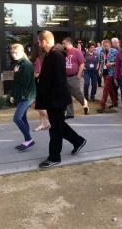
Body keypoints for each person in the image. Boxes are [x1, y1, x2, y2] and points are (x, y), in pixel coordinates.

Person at [36, 31, 86, 169]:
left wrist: (51, 101)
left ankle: (54, 157)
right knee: (59, 125)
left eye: (39, 42)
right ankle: (78, 141)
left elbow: (59, 81)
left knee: (56, 130)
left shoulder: (56, 56)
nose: (38, 44)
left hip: (56, 100)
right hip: (54, 99)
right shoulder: (50, 55)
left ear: (43, 42)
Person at [10, 44, 36, 151]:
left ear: (21, 52)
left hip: (27, 96)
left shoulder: (25, 64)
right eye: (12, 52)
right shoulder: (21, 63)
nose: (14, 54)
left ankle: (29, 140)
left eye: (16, 52)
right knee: (23, 118)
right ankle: (27, 140)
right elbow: (19, 84)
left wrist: (16, 74)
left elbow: (23, 83)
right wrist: (13, 95)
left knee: (17, 118)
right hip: (24, 95)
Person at [62, 37, 89, 118]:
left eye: (64, 43)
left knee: (77, 94)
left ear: (69, 43)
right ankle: (70, 113)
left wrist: (79, 75)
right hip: (64, 77)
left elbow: (82, 63)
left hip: (73, 77)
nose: (63, 45)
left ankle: (84, 104)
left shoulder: (76, 51)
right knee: (66, 95)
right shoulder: (63, 52)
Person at [30, 42, 50, 131]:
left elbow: (37, 74)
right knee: (40, 105)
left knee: (34, 104)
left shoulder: (37, 59)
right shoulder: (42, 58)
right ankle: (42, 124)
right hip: (42, 84)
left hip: (38, 85)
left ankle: (51, 118)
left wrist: (29, 75)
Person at [97, 39, 118, 113]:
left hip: (111, 72)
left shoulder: (114, 51)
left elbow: (118, 62)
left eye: (106, 46)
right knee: (110, 88)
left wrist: (112, 64)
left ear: (109, 45)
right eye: (104, 46)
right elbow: (100, 62)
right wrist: (100, 70)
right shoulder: (102, 52)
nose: (105, 47)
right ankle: (115, 102)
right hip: (104, 72)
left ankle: (102, 105)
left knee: (105, 89)